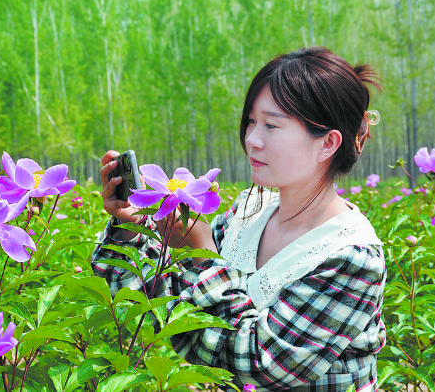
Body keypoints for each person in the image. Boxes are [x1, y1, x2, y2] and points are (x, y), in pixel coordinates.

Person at [92, 47, 386, 392]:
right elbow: (161, 310)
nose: (251, 140)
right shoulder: (247, 214)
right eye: (251, 121)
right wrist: (131, 231)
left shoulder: (352, 256)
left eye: (271, 125)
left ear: (328, 144)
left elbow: (258, 363)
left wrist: (201, 252)